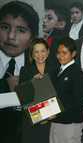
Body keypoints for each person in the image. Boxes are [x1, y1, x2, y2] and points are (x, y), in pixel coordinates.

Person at [0, 1, 39, 143]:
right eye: (4, 27)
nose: (11, 36)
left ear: (32, 39)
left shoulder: (38, 65)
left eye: (21, 30)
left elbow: (45, 114)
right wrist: (13, 97)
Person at [50, 37, 83, 143]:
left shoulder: (78, 74)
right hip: (55, 121)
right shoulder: (55, 72)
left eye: (64, 53)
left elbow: (78, 102)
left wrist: (56, 113)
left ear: (73, 53)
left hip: (70, 124)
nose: (60, 56)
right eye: (58, 52)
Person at [18, 38, 52, 143]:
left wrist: (50, 115)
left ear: (48, 52)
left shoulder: (55, 69)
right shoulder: (25, 70)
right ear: (32, 54)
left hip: (51, 120)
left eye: (43, 51)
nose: (40, 54)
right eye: (36, 52)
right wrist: (32, 81)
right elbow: (22, 96)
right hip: (31, 121)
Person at [65, 1, 83, 67]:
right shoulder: (68, 26)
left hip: (80, 59)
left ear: (82, 13)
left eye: (77, 12)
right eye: (72, 13)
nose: (74, 15)